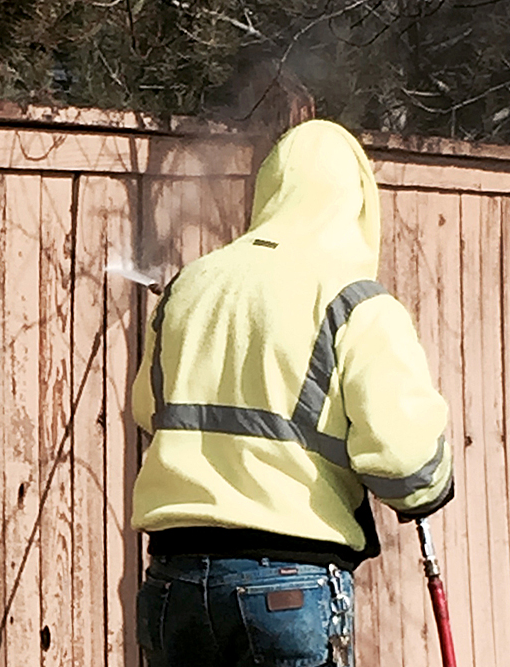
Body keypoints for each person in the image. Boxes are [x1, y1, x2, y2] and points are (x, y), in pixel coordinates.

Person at [130, 120, 454, 667]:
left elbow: (148, 409)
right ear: (356, 204)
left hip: (174, 582)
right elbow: (405, 462)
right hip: (288, 585)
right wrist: (431, 487)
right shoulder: (355, 302)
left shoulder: (189, 286)